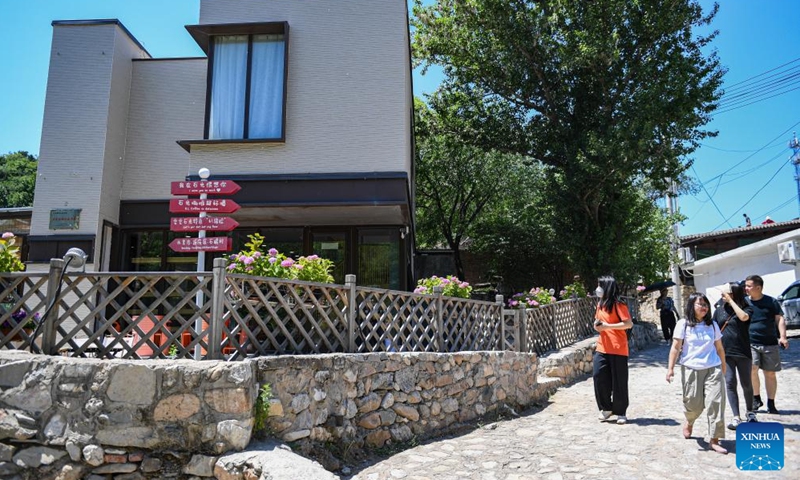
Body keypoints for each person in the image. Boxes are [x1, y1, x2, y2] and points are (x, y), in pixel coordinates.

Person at [666, 292, 728, 454]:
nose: (704, 307)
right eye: (700, 304)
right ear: (691, 306)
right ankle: (690, 420)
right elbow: (675, 347)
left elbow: (719, 348)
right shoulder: (683, 324)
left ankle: (714, 439)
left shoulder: (712, 325)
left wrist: (723, 364)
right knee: (693, 403)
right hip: (691, 368)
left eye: (706, 304)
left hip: (713, 367)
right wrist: (670, 368)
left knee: (716, 402)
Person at [712, 282, 755, 429]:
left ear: (733, 294)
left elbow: (743, 318)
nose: (722, 295)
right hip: (726, 353)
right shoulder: (719, 310)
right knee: (730, 383)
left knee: (746, 383)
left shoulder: (746, 307)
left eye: (726, 293)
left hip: (742, 351)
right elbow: (713, 328)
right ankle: (736, 416)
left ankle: (750, 412)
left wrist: (731, 301)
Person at [745, 275, 789, 414]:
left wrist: (783, 337)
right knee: (752, 369)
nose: (746, 288)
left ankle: (771, 402)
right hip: (750, 341)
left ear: (758, 287)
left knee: (769, 373)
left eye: (749, 286)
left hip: (769, 343)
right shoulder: (745, 302)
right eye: (745, 286)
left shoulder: (771, 302)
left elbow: (780, 318)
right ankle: (756, 398)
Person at [592, 275, 633, 425]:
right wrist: (597, 327)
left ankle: (621, 412)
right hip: (602, 347)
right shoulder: (600, 304)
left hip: (618, 348)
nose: (598, 288)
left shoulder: (619, 304)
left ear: (607, 286)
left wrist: (608, 327)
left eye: (600, 285)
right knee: (599, 377)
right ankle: (606, 408)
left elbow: (628, 324)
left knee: (619, 382)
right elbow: (599, 323)